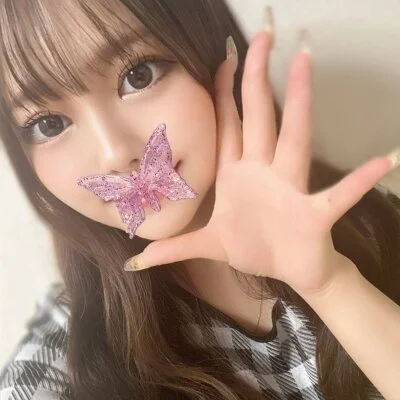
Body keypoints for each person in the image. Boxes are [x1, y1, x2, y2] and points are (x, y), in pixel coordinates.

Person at [0, 0, 399, 399]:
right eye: (48, 124)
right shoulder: (57, 363)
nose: (114, 154)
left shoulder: (374, 228)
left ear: (210, 51)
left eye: (138, 76)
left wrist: (332, 286)